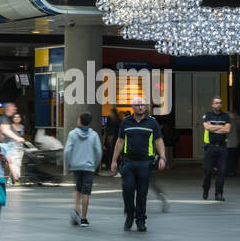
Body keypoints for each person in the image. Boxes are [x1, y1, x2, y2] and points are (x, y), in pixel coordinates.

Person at [109, 96, 167, 232]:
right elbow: (120, 141)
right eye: (137, 105)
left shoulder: (152, 123)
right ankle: (130, 215)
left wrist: (163, 157)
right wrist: (114, 160)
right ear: (133, 107)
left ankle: (141, 220)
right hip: (128, 162)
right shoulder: (125, 122)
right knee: (127, 190)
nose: (140, 107)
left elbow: (159, 141)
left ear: (145, 107)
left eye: (142, 105)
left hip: (145, 163)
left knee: (142, 193)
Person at [65, 112, 102, 227]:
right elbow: (99, 152)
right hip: (89, 167)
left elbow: (67, 151)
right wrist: (94, 165)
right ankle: (84, 219)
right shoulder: (94, 135)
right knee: (86, 192)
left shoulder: (72, 134)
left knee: (77, 188)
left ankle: (76, 209)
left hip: (76, 166)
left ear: (79, 120)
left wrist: (68, 164)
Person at [201, 96, 231, 201]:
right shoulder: (207, 115)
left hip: (222, 147)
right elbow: (207, 127)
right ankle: (205, 189)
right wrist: (221, 127)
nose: (218, 105)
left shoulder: (226, 116)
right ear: (212, 104)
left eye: (220, 103)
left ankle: (218, 194)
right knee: (208, 171)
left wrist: (214, 128)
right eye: (216, 103)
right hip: (210, 147)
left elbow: (227, 129)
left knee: (221, 171)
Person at [0, 102, 28, 182]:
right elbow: (5, 130)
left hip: (8, 144)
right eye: (13, 107)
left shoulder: (9, 119)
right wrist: (17, 138)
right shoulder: (3, 118)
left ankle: (14, 179)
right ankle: (15, 179)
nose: (15, 108)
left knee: (11, 162)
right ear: (8, 108)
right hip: (5, 144)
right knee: (11, 162)